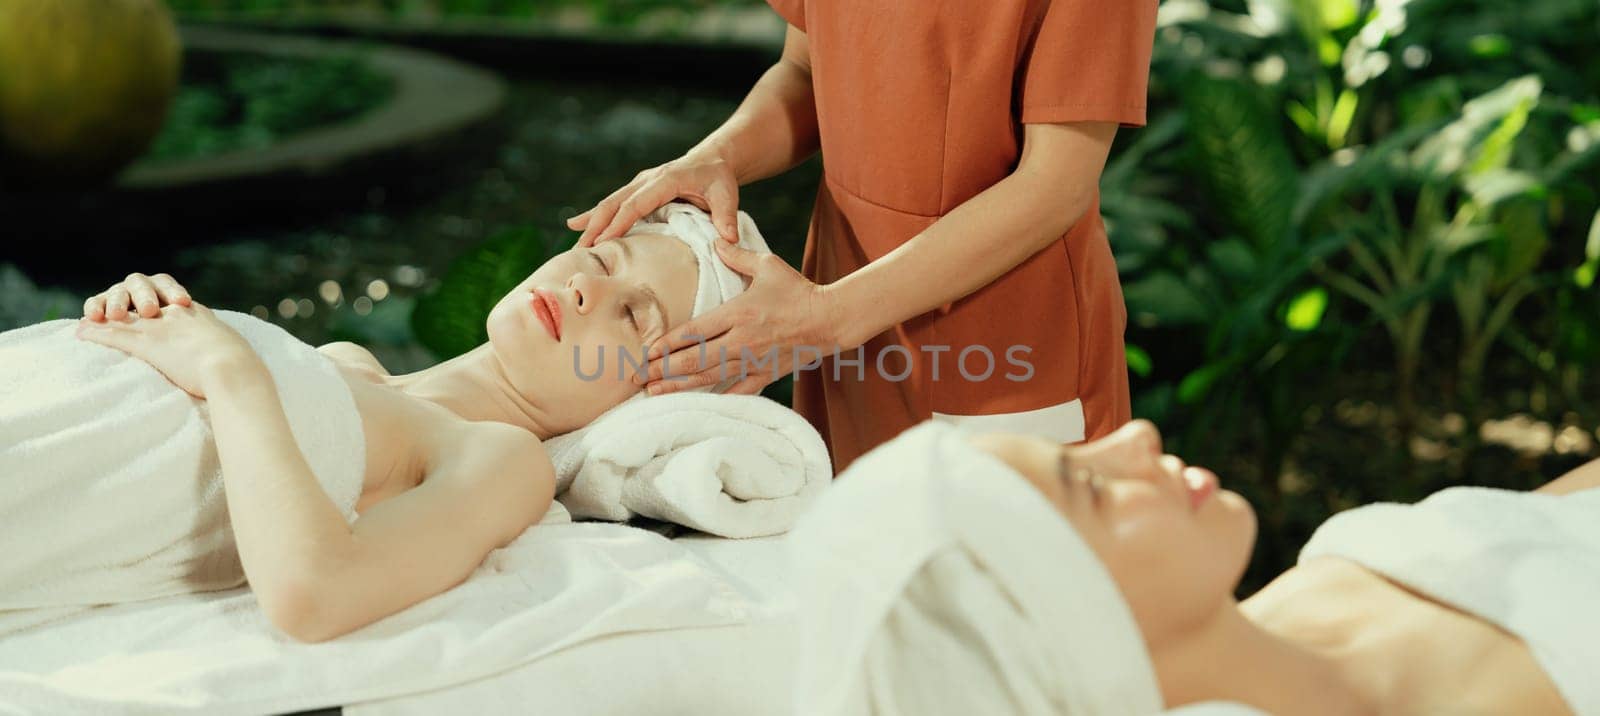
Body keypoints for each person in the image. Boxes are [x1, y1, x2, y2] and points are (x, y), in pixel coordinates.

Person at [0, 205, 768, 642]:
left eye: (634, 317)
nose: (581, 292)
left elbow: (318, 594)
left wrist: (227, 370)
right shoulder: (346, 359)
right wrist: (140, 317)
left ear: (646, 399)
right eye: (601, 264)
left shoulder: (500, 456)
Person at [568, 0, 1160, 471]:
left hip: (999, 338)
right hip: (842, 324)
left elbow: (1054, 185)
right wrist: (716, 157)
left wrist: (826, 316)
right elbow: (804, 72)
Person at [790, 419, 1598, 715]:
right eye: (1093, 493)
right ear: (1077, 631)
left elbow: (1557, 516)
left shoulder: (1323, 581)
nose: (1134, 439)